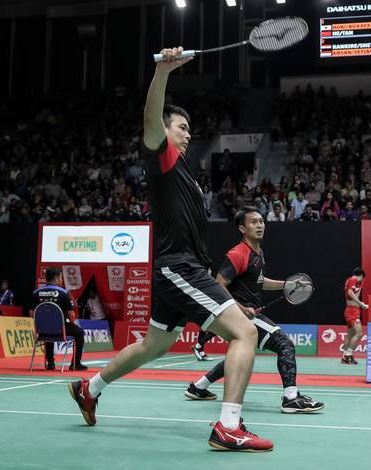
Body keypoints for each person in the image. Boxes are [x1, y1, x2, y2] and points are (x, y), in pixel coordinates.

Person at [68, 46, 272, 452]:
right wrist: (163, 70)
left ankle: (87, 388)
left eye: (189, 129)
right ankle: (228, 426)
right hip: (181, 268)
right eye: (181, 127)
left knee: (154, 345)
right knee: (245, 334)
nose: (187, 132)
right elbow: (150, 118)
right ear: (165, 131)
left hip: (179, 271)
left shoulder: (185, 174)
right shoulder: (161, 158)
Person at [185, 207, 324, 414]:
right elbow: (219, 284)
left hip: (247, 313)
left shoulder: (257, 253)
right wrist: (241, 308)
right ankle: (291, 399)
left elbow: (260, 283)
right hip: (239, 314)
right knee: (285, 345)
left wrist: (287, 285)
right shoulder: (238, 253)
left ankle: (199, 387)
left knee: (241, 353)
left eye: (261, 221)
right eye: (253, 222)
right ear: (242, 228)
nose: (259, 225)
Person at [30, 268, 87, 371]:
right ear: (56, 278)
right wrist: (72, 324)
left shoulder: (36, 293)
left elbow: (31, 313)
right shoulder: (63, 293)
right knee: (79, 333)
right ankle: (75, 364)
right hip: (61, 330)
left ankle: (50, 362)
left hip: (42, 331)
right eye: (61, 277)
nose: (61, 280)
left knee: (48, 328)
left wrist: (40, 324)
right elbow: (72, 314)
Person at [341, 267, 368, 365]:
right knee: (359, 333)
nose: (361, 281)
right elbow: (350, 292)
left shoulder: (349, 280)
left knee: (350, 335)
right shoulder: (353, 280)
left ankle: (344, 357)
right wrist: (360, 303)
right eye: (362, 278)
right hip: (352, 311)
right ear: (360, 275)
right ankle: (349, 355)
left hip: (350, 310)